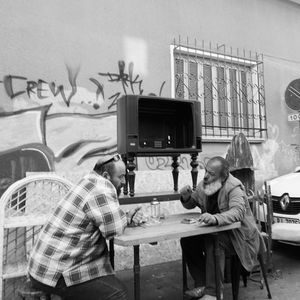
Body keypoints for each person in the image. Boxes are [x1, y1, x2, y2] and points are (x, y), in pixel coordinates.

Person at [28, 154, 144, 300]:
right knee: (117, 294)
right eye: (120, 177)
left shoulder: (88, 181)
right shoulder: (101, 187)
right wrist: (127, 219)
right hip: (55, 274)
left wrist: (125, 218)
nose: (123, 181)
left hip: (42, 267)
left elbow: (107, 220)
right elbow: (114, 230)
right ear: (107, 176)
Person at [180, 156, 260, 300]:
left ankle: (214, 293)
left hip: (240, 237)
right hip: (218, 232)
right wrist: (186, 197)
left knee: (214, 240)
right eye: (206, 171)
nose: (205, 176)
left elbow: (238, 212)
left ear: (223, 176)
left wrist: (215, 218)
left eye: (211, 173)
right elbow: (193, 202)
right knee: (188, 240)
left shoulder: (233, 186)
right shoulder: (206, 184)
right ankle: (202, 284)